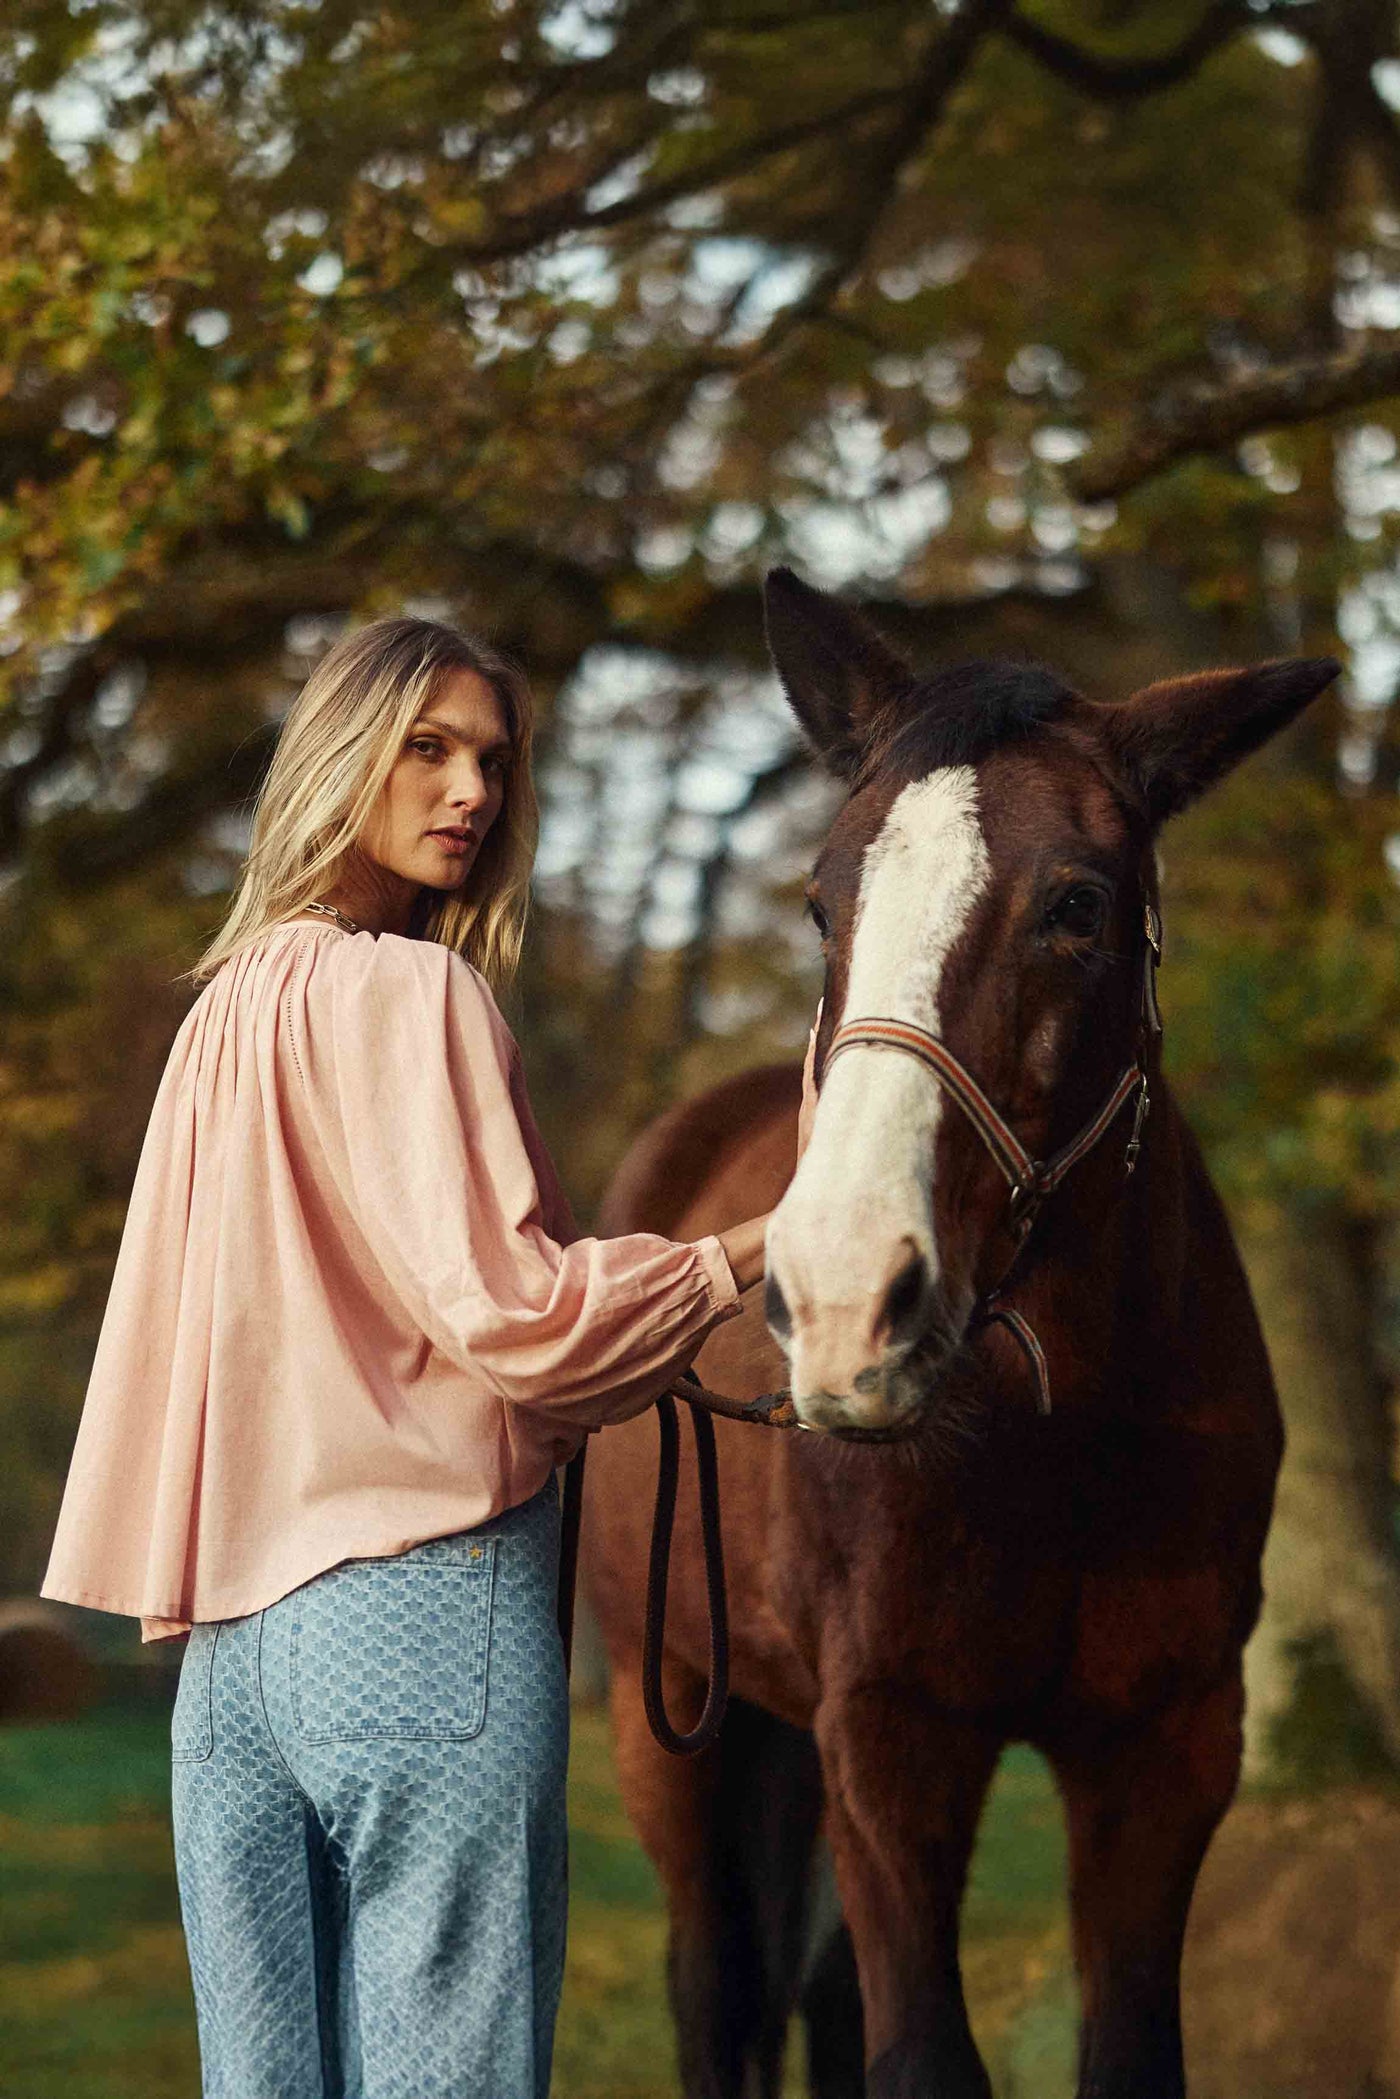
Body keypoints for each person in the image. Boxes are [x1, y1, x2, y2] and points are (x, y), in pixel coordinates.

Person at [39, 615, 822, 2099]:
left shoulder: (224, 1020)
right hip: (417, 1609)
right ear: (345, 755)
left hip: (231, 1662)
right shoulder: (412, 993)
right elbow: (526, 1327)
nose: (472, 790)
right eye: (430, 746)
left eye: (494, 761)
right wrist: (762, 1243)